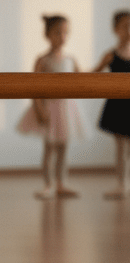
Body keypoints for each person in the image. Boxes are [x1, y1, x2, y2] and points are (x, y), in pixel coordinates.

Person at [17, 14, 84, 199]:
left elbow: (83, 79)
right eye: (57, 33)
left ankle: (62, 183)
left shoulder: (70, 59)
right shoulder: (43, 60)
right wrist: (39, 108)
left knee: (64, 148)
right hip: (49, 108)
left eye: (65, 33)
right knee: (49, 149)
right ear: (47, 35)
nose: (62, 37)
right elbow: (34, 87)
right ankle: (48, 185)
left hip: (66, 109)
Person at [94, 10, 130, 199]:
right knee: (120, 147)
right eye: (126, 26)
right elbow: (93, 74)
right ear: (116, 30)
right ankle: (121, 183)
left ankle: (127, 182)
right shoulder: (111, 55)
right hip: (117, 106)